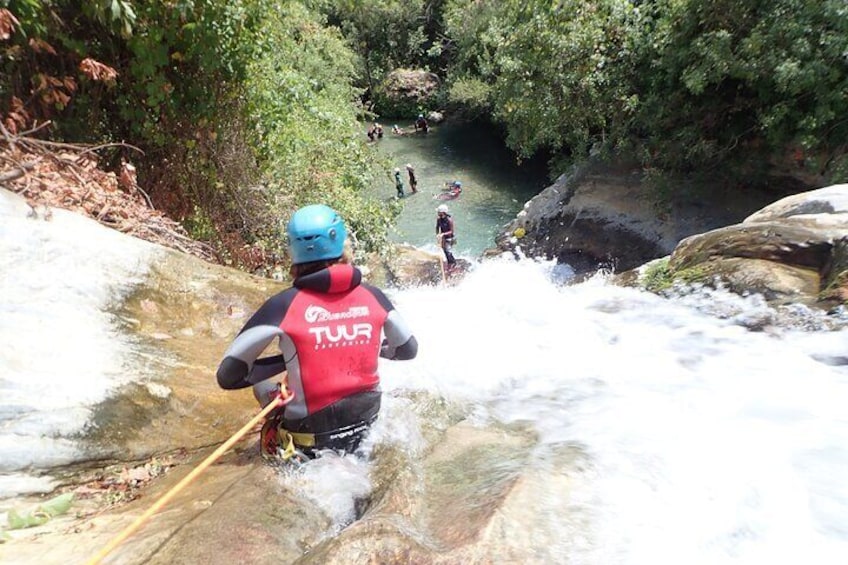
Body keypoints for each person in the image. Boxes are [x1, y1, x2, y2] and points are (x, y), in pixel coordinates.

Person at [216, 204, 418, 460]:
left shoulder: (283, 305)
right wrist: (366, 345)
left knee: (262, 387)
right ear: (341, 243)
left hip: (311, 438)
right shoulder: (373, 296)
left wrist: (294, 360)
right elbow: (408, 350)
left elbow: (228, 375)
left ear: (293, 251)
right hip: (368, 426)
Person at [435, 204, 457, 270]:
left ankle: (453, 263)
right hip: (443, 238)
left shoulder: (449, 220)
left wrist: (443, 234)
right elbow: (437, 227)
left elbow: (451, 231)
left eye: (439, 212)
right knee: (444, 250)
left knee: (448, 251)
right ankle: (449, 262)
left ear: (443, 212)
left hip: (450, 238)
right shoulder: (439, 219)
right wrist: (437, 235)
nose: (438, 213)